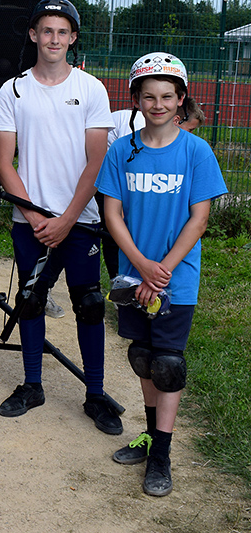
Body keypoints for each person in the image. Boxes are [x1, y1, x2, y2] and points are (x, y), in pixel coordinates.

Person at [96, 52, 226, 496]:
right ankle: (151, 436)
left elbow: (199, 218)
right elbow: (111, 213)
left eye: (167, 96)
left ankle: (162, 456)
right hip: (135, 276)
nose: (158, 104)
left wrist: (164, 268)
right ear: (135, 99)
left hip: (176, 278)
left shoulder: (196, 151)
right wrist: (142, 265)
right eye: (148, 96)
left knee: (168, 365)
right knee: (143, 359)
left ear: (181, 99)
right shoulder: (122, 150)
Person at [0, 0, 121, 434]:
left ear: (73, 38)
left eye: (63, 32)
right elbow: (4, 162)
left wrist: (66, 218)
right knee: (30, 301)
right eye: (46, 30)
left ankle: (96, 394)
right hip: (31, 221)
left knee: (88, 304)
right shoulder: (14, 89)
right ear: (33, 35)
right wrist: (35, 213)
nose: (54, 39)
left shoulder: (91, 89)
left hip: (79, 219)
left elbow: (96, 161)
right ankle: (32, 385)